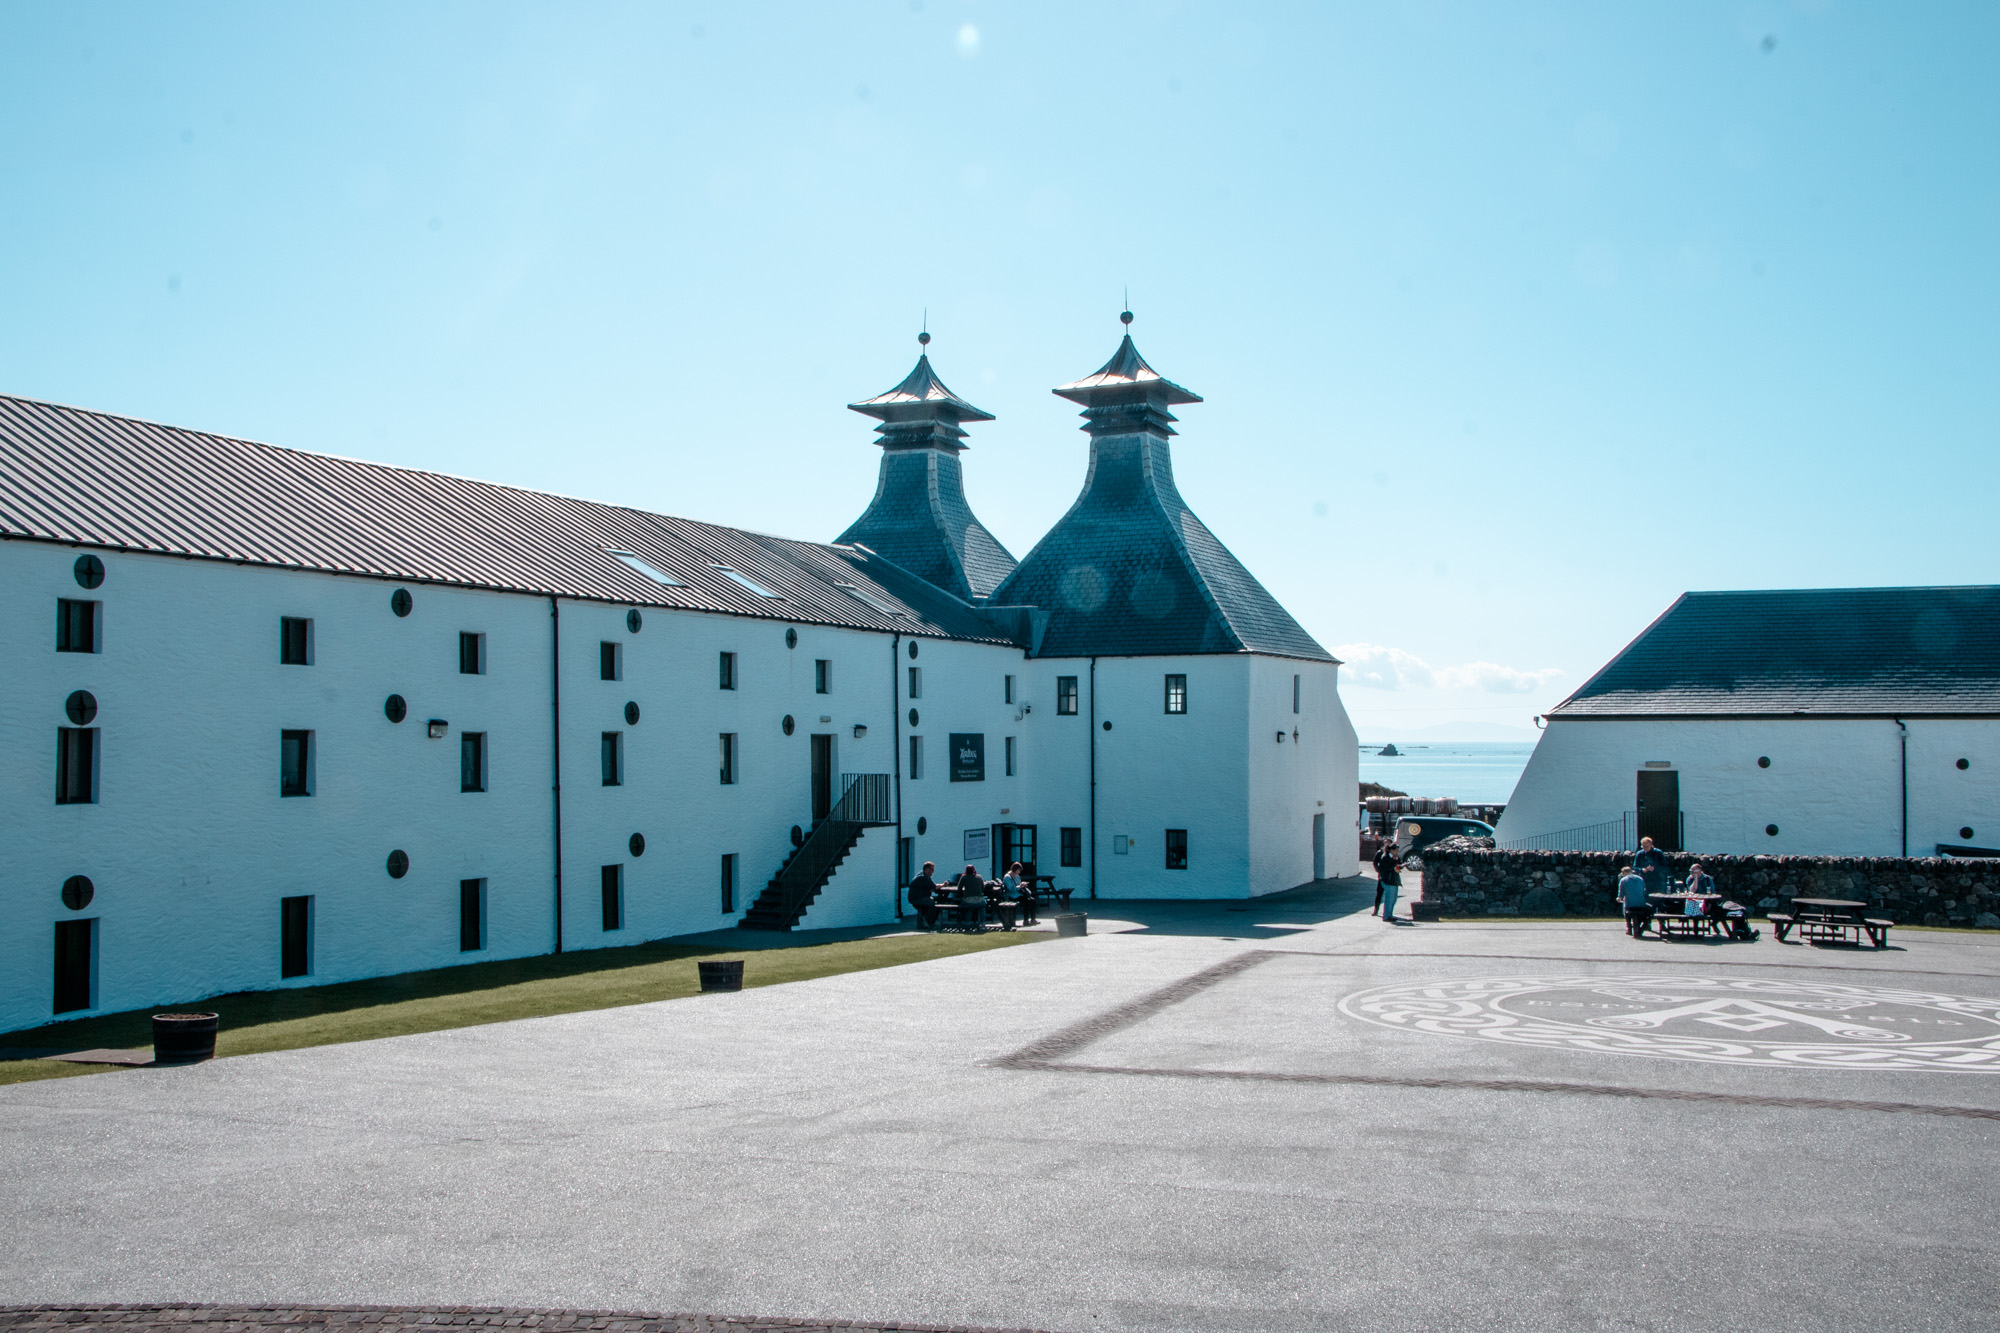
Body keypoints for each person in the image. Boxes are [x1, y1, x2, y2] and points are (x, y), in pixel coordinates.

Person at [1617, 864, 1652, 937]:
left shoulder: (1623, 880)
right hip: (1641, 904)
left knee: (1625, 907)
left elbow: (1621, 895)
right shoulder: (1640, 879)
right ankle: (1643, 926)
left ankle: (1629, 928)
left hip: (1630, 906)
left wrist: (1619, 898)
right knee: (1650, 910)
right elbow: (1644, 891)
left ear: (1623, 873)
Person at [1371, 841, 1402, 918]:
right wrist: (1379, 871)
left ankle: (1389, 915)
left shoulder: (1395, 857)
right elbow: (1387, 867)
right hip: (1387, 880)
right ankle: (1386, 916)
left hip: (1393, 880)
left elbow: (1397, 866)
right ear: (1391, 850)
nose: (1397, 852)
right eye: (1396, 851)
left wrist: (1399, 865)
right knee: (1388, 899)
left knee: (1393, 899)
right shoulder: (1385, 856)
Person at [907, 861, 940, 930]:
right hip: (917, 898)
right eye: (932, 869)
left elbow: (930, 887)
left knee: (933, 901)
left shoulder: (922, 875)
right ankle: (928, 921)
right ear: (927, 869)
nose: (933, 871)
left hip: (916, 897)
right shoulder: (924, 877)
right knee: (934, 904)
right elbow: (934, 887)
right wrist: (943, 885)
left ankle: (925, 921)